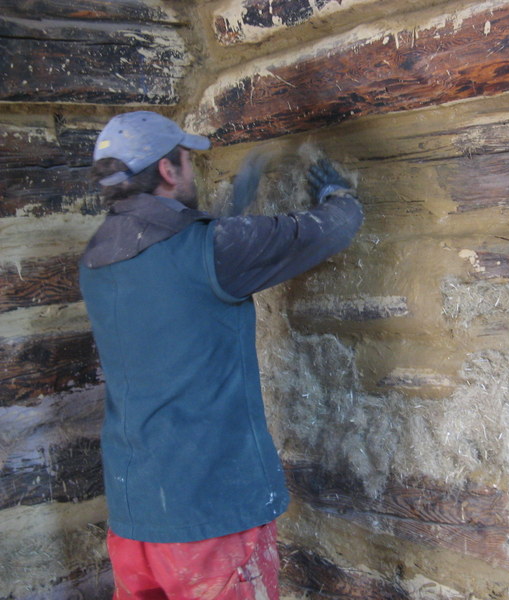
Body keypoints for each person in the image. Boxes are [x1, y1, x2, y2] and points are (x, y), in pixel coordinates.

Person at [79, 111, 363, 599]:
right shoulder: (211, 250)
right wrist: (339, 196)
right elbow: (331, 229)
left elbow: (178, 280)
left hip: (137, 517)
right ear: (168, 171)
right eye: (187, 162)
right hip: (210, 517)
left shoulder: (97, 258)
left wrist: (232, 208)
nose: (191, 171)